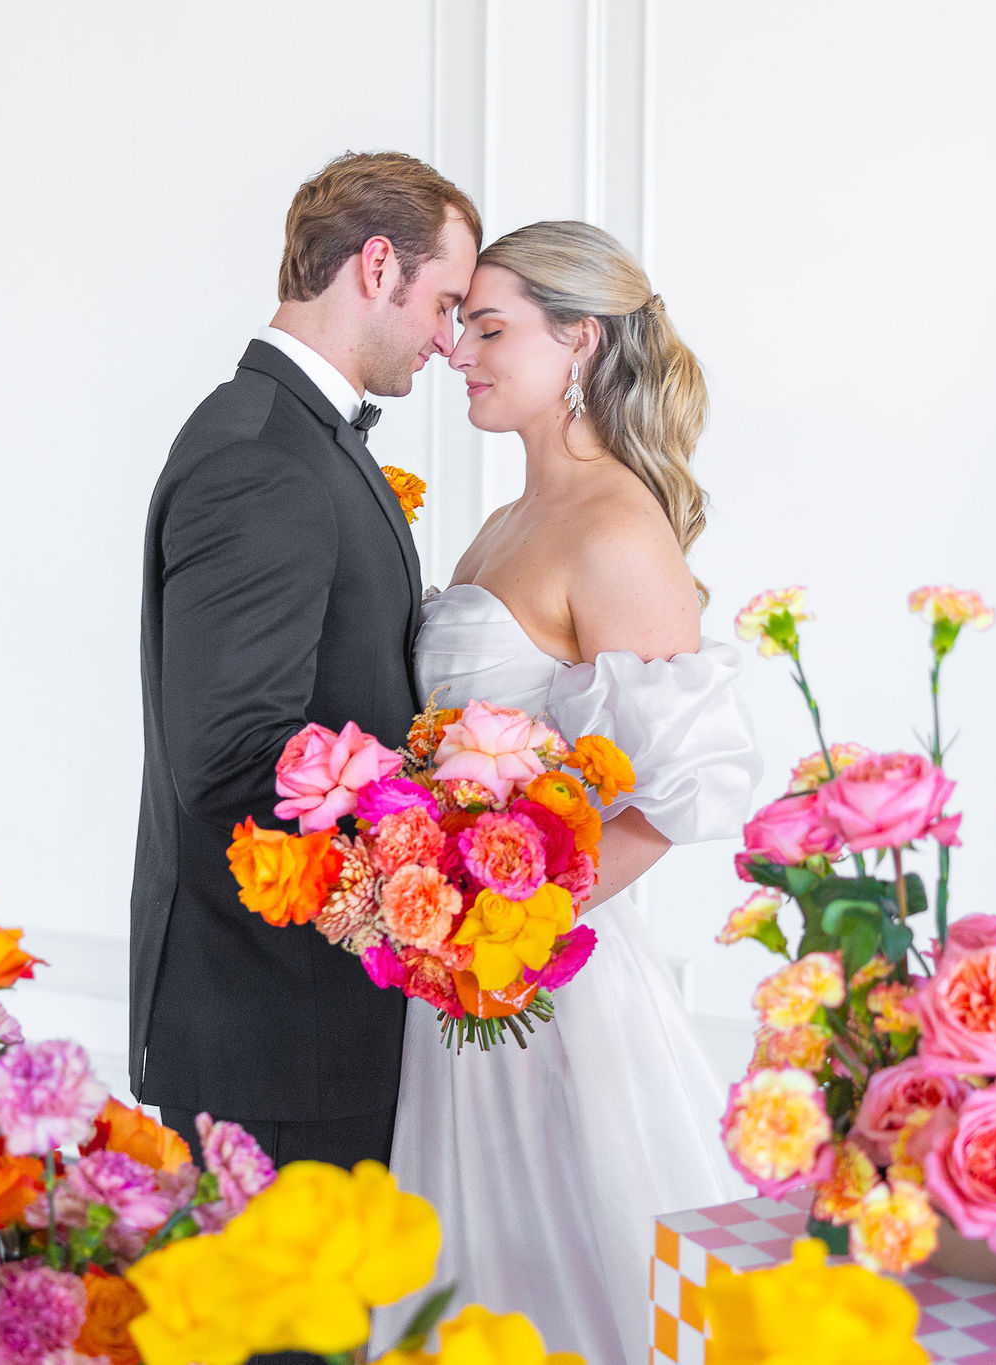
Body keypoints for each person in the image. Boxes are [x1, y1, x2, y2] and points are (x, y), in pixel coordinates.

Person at [385, 220, 762, 1365]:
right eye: (458, 325)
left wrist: (511, 934)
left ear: (581, 343)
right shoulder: (505, 523)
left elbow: (673, 793)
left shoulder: (614, 526)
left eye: (490, 328)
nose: (459, 351)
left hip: (549, 985)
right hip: (449, 977)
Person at [128, 151, 480, 1172]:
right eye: (445, 302)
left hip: (301, 1015)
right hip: (276, 1024)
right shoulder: (260, 456)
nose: (448, 340)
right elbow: (232, 752)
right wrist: (425, 856)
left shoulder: (293, 436)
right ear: (377, 268)